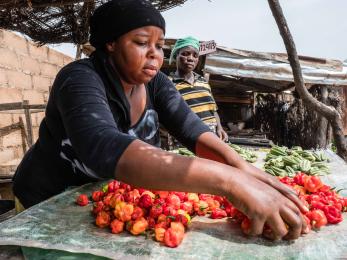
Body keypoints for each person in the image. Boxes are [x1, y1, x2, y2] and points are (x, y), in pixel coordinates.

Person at [12, 0, 307, 241]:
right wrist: (229, 181)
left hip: (100, 201)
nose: (155, 54)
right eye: (142, 43)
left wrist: (244, 170)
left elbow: (193, 131)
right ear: (111, 44)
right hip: (48, 201)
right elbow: (102, 146)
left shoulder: (158, 84)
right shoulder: (80, 79)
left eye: (160, 45)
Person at [169, 36, 228, 141]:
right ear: (176, 55)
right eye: (185, 54)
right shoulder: (169, 84)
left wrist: (219, 128)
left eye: (195, 55)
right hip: (186, 140)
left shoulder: (203, 82)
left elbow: (213, 110)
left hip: (212, 137)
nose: (191, 58)